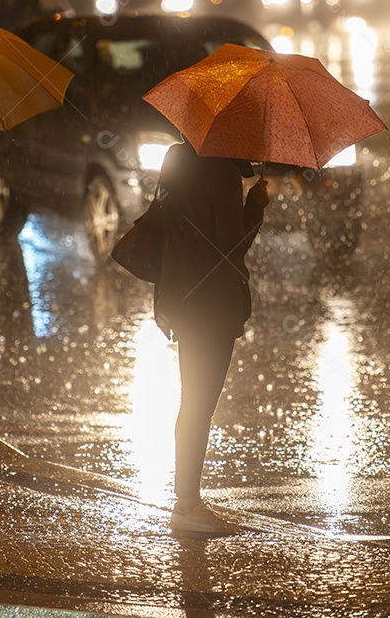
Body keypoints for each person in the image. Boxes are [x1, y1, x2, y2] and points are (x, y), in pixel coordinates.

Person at [154, 140, 269, 534]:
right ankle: (187, 506)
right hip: (211, 303)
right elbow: (231, 248)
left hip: (183, 297)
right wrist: (256, 207)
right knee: (200, 406)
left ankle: (186, 500)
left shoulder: (178, 159)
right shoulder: (221, 173)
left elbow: (168, 233)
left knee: (192, 403)